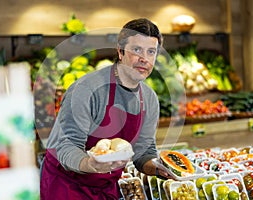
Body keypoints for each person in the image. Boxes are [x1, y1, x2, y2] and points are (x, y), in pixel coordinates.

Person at [40, 18, 174, 200]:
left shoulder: (149, 99)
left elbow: (144, 151)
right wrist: (92, 164)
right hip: (66, 185)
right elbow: (66, 146)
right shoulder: (87, 90)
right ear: (120, 51)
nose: (144, 58)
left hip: (105, 187)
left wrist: (158, 168)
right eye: (136, 50)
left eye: (151, 52)